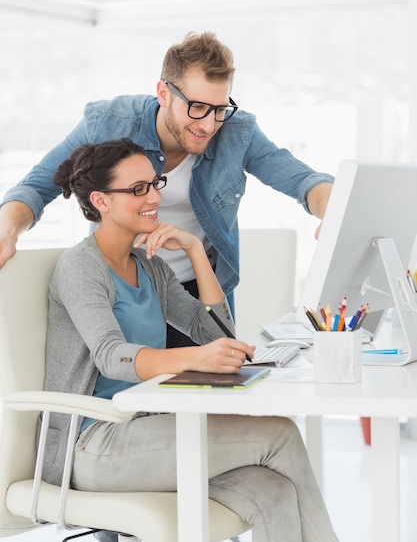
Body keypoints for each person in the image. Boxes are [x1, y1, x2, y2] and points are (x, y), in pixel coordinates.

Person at [42, 138, 339, 542]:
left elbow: (217, 336)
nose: (154, 197)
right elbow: (112, 357)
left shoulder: (149, 264)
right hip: (93, 444)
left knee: (273, 492)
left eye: (155, 183)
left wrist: (196, 251)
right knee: (280, 433)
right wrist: (195, 359)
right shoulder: (80, 266)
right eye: (138, 189)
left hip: (149, 434)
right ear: (101, 200)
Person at [0, 31, 333, 350]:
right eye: (198, 107)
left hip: (198, 290)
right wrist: (8, 229)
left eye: (219, 109)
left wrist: (333, 211)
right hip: (125, 289)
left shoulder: (237, 132)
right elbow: (37, 185)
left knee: (213, 389)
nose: (208, 125)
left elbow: (303, 181)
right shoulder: (108, 122)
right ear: (163, 93)